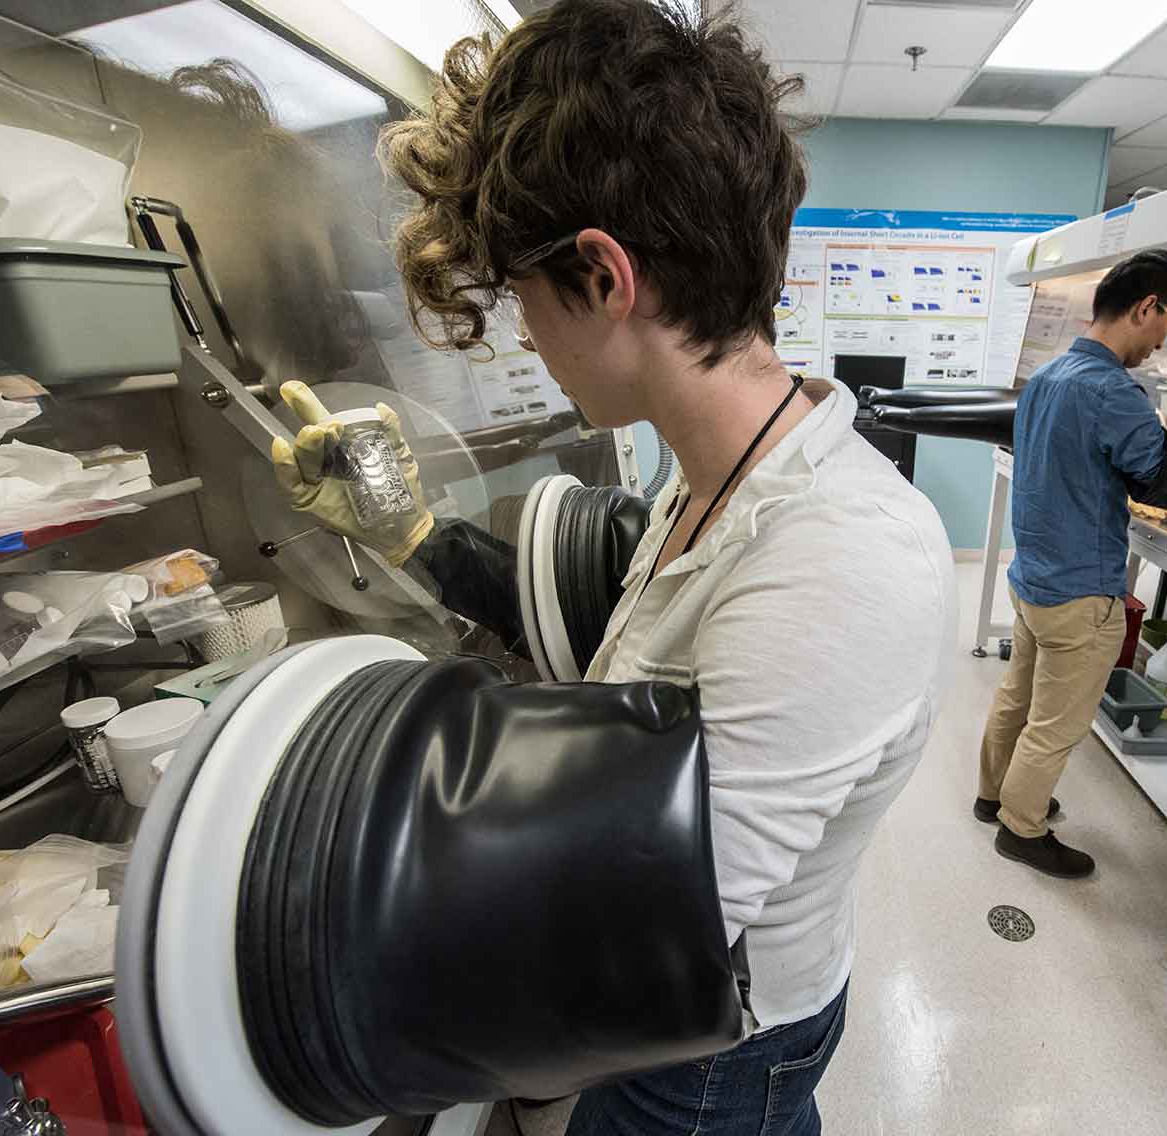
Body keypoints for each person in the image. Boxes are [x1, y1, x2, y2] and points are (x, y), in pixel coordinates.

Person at [269, 2, 956, 1133]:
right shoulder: (716, 472)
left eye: (523, 296)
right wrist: (406, 535)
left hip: (706, 1051)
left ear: (602, 275)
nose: (527, 335)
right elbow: (615, 657)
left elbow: (643, 930)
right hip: (669, 1014)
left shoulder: (840, 557)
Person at [975, 249, 1167, 879]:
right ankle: (1023, 828)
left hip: (1034, 579)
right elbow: (1152, 476)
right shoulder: (1113, 390)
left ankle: (995, 797)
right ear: (1146, 306)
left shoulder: (1047, 376)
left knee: (1016, 699)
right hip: (1081, 590)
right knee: (1057, 722)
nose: (1164, 336)